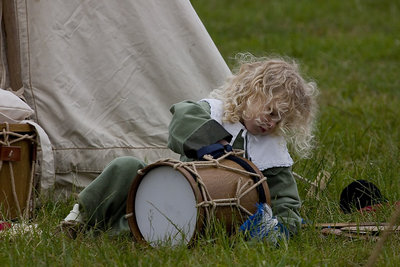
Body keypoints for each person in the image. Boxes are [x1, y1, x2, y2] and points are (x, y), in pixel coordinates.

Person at [60, 53, 318, 243]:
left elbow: (286, 200)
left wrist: (278, 229)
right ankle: (78, 220)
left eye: (280, 119)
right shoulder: (213, 112)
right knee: (125, 166)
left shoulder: (272, 151)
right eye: (270, 110)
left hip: (203, 223)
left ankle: (120, 230)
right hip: (168, 195)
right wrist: (218, 149)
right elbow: (182, 120)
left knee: (142, 231)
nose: (271, 121)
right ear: (250, 92)